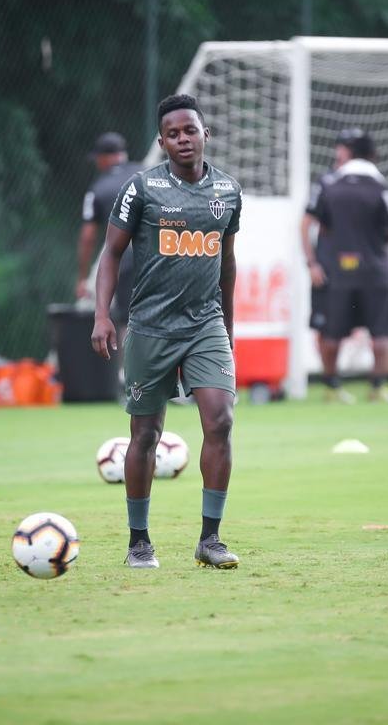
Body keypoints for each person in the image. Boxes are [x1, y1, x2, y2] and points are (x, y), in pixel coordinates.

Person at [91, 92, 243, 571]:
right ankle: (139, 542)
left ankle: (210, 539)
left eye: (190, 130)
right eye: (173, 134)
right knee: (145, 434)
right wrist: (101, 314)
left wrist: (229, 325)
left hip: (205, 324)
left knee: (219, 420)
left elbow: (228, 261)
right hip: (151, 326)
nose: (182, 139)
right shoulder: (142, 188)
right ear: (162, 141)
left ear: (205, 134)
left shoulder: (228, 192)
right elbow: (110, 254)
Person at [310, 129, 388, 402]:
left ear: (347, 153)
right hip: (375, 270)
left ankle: (332, 387)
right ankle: (377, 387)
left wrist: (314, 261)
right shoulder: (380, 187)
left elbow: (316, 224)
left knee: (331, 332)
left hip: (338, 271)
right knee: (381, 332)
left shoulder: (329, 186)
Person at [300, 131, 349, 401]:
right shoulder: (326, 184)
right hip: (327, 267)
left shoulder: (365, 182)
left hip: (354, 270)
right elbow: (305, 224)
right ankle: (330, 382)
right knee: (324, 326)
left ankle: (374, 382)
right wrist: (312, 263)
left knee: (344, 325)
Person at [76, 132, 143, 323]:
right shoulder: (147, 173)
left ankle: (128, 353)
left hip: (127, 257)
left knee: (127, 318)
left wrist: (82, 277)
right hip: (161, 250)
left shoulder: (98, 189)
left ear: (105, 158)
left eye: (98, 158)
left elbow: (87, 237)